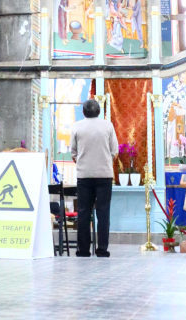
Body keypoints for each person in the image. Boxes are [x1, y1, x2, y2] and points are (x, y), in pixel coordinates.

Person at [70, 98, 119, 258]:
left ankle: (83, 250)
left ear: (84, 112)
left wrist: (84, 162)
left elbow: (73, 153)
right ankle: (102, 249)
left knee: (84, 212)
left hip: (84, 175)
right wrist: (104, 161)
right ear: (99, 111)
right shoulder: (108, 126)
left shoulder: (77, 126)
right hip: (104, 175)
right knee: (103, 213)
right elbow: (115, 151)